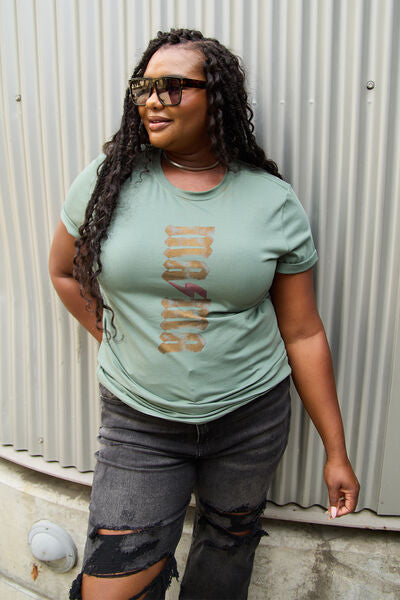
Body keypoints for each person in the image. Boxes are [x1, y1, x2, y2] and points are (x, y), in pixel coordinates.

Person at [49, 28, 359, 600]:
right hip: (140, 422)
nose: (151, 100)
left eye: (171, 86)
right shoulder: (107, 180)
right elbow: (65, 272)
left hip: (250, 418)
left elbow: (303, 331)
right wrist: (116, 336)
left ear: (215, 96)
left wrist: (335, 452)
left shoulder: (271, 199)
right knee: (111, 583)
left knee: (226, 551)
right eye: (143, 87)